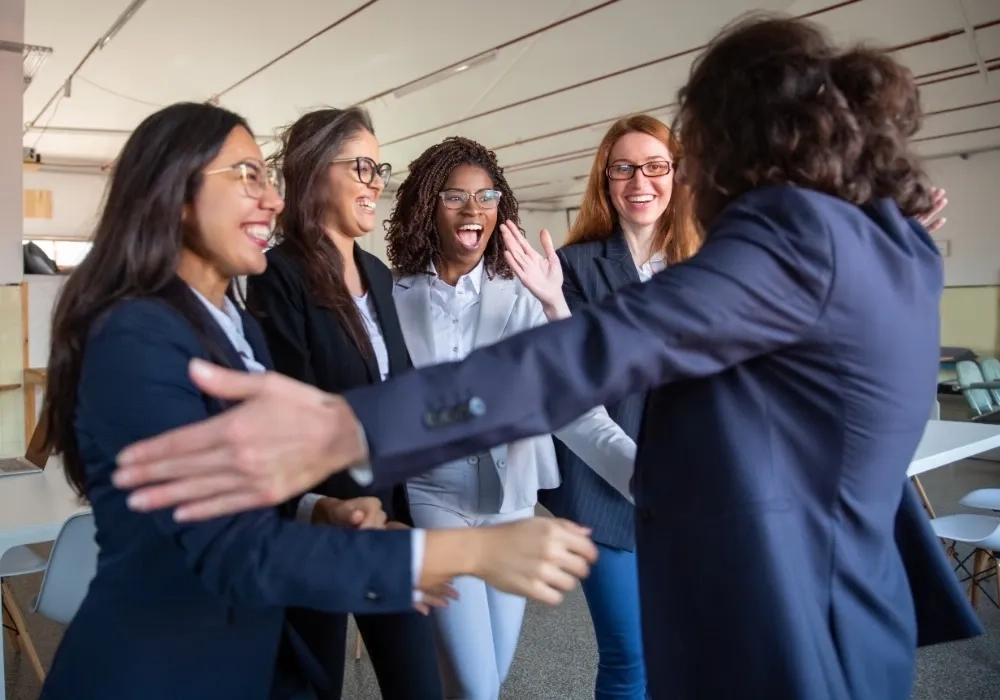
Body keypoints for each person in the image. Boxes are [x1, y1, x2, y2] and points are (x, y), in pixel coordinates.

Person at [110, 16, 983, 700]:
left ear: (729, 141)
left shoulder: (795, 233)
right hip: (855, 609)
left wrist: (347, 425)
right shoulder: (895, 244)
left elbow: (588, 353)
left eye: (688, 148)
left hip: (785, 628)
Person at [36, 102, 597, 700]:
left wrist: (314, 508)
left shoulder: (230, 326)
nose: (273, 201)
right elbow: (220, 546)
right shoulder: (136, 339)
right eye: (246, 176)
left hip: (248, 643)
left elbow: (249, 481)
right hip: (163, 670)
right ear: (174, 193)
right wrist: (462, 551)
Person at [383, 136, 637, 700]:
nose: (474, 210)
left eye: (487, 196)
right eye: (455, 196)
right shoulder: (393, 295)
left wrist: (645, 473)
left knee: (488, 678)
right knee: (476, 688)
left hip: (512, 503)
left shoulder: (525, 294)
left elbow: (572, 406)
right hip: (434, 496)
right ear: (427, 205)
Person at [244, 108, 442, 699]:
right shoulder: (278, 276)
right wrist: (334, 506)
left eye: (377, 166)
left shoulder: (379, 276)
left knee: (419, 686)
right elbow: (291, 418)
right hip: (320, 527)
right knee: (314, 686)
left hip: (385, 524)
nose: (376, 179)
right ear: (312, 173)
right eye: (361, 165)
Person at [521, 114, 702, 700]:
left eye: (655, 166)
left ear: (677, 175)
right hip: (605, 493)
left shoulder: (706, 265)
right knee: (630, 661)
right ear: (605, 180)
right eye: (622, 167)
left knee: (691, 651)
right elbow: (573, 387)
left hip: (699, 490)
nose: (639, 181)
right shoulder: (572, 269)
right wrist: (553, 308)